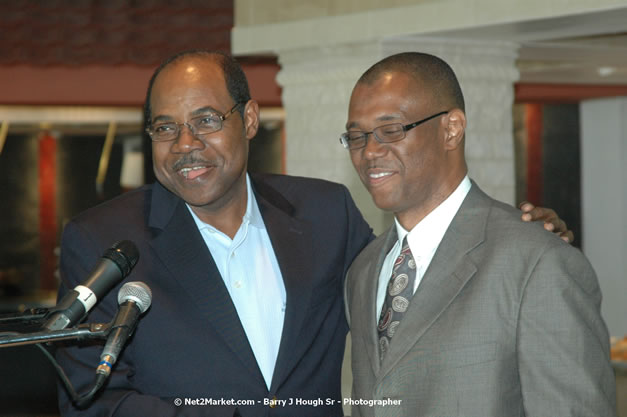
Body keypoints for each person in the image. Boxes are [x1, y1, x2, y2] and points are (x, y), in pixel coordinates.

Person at [54, 50, 572, 417]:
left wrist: (519, 237)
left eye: (206, 120)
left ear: (250, 119)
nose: (185, 144)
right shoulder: (104, 241)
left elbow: (414, 282)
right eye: (165, 127)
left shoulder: (325, 214)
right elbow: (90, 399)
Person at [343, 52, 617, 417]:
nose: (370, 151)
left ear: (451, 129)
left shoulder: (537, 263)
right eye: (357, 136)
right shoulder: (363, 272)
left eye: (391, 130)